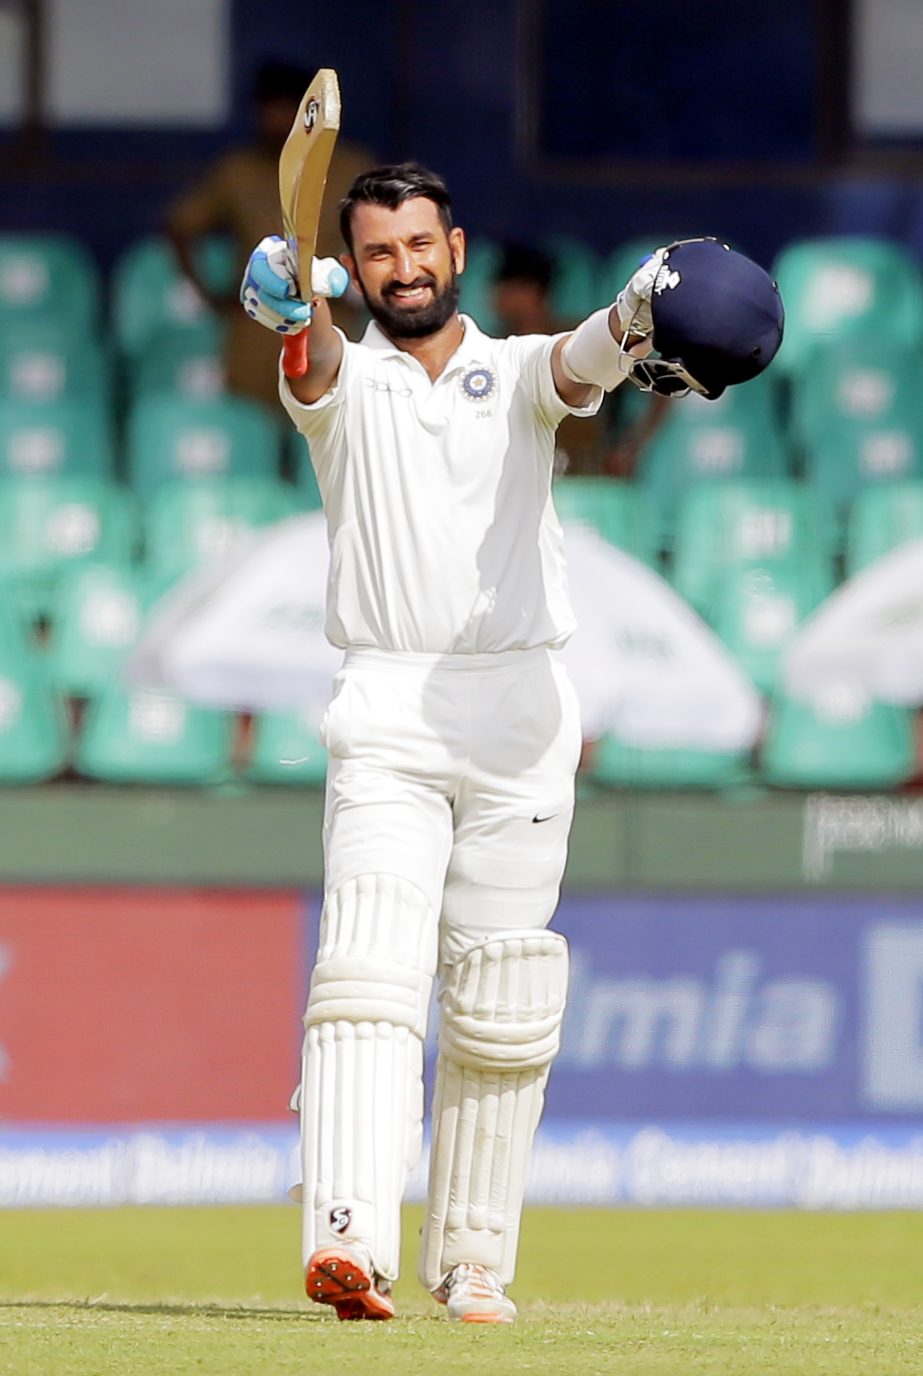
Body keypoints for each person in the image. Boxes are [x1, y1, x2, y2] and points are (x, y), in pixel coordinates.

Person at [239, 176, 784, 1324]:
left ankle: (471, 1257)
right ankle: (346, 1233)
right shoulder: (343, 379)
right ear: (355, 264)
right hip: (388, 706)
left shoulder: (520, 371)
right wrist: (295, 314)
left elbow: (583, 360)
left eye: (417, 244)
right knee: (368, 974)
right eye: (375, 250)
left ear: (456, 248)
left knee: (502, 994)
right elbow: (310, 362)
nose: (401, 266)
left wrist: (640, 304)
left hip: (521, 711)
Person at [166, 59, 373, 411]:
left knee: (331, 417)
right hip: (257, 325)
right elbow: (180, 226)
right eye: (267, 108)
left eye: (286, 107)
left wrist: (358, 291)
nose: (276, 118)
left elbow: (382, 233)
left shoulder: (351, 167)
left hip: (332, 318)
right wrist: (210, 295)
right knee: (252, 425)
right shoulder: (237, 171)